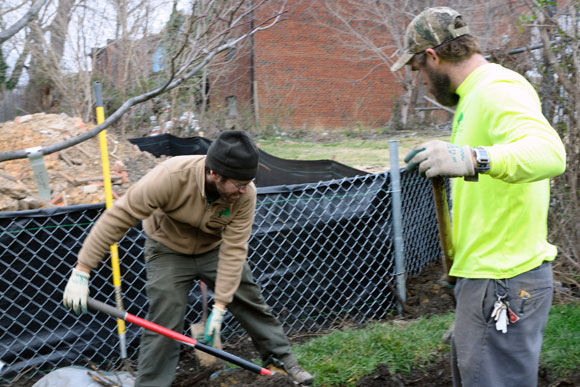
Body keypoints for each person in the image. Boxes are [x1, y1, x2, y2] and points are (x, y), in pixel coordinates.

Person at [391, 7, 566, 387]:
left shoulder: (497, 89)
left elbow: (550, 155)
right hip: (485, 277)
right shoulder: (473, 97)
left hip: (504, 280)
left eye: (418, 69)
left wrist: (472, 157)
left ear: (433, 56)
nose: (422, 81)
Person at [62, 130, 314, 386]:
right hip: (167, 248)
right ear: (214, 173)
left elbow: (234, 249)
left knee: (248, 297)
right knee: (165, 315)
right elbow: (119, 217)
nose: (243, 190)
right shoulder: (171, 177)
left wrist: (219, 307)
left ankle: (282, 362)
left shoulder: (245, 194)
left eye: (247, 182)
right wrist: (82, 270)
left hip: (213, 249)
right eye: (238, 184)